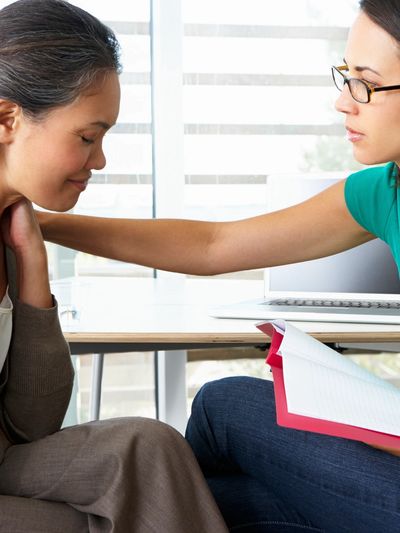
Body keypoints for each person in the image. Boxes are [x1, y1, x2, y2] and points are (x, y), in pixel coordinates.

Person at [38, 0, 400, 530]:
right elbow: (213, 246)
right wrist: (42, 224)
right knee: (220, 502)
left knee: (223, 405)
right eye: (345, 77)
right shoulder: (383, 192)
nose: (344, 103)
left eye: (366, 83)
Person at [0, 1, 230, 532]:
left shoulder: (14, 237)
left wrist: (33, 266)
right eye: (86, 137)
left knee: (148, 446)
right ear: (8, 119)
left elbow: (32, 425)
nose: (99, 160)